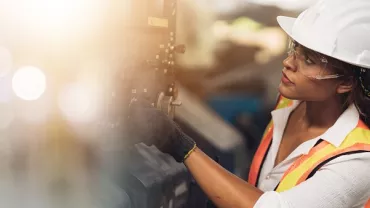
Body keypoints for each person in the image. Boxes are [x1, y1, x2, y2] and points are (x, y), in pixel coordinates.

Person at [129, 0, 370, 207]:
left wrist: (181, 146)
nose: (288, 62)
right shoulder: (290, 102)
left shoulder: (359, 159)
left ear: (346, 83)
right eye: (295, 48)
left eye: (309, 60)